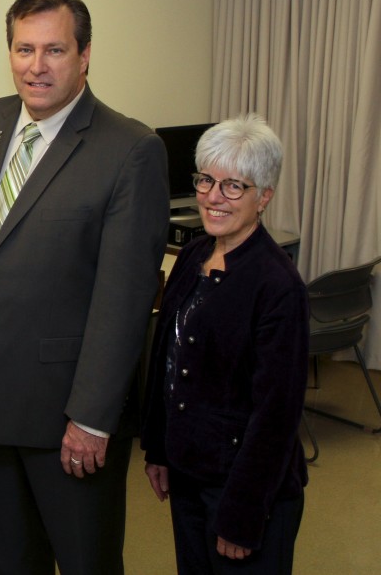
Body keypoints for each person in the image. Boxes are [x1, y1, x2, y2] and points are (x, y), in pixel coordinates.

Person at [0, 0, 169, 574]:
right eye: (23, 49)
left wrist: (91, 417)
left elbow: (123, 298)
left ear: (85, 55)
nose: (36, 66)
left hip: (69, 417)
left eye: (54, 50)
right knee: (10, 562)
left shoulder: (131, 149)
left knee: (85, 562)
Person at [141, 115, 309, 574]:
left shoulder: (277, 285)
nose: (213, 197)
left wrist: (243, 514)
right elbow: (167, 361)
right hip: (191, 475)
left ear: (264, 198)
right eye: (207, 180)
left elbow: (276, 414)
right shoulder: (194, 254)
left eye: (234, 186)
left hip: (246, 491)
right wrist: (159, 449)